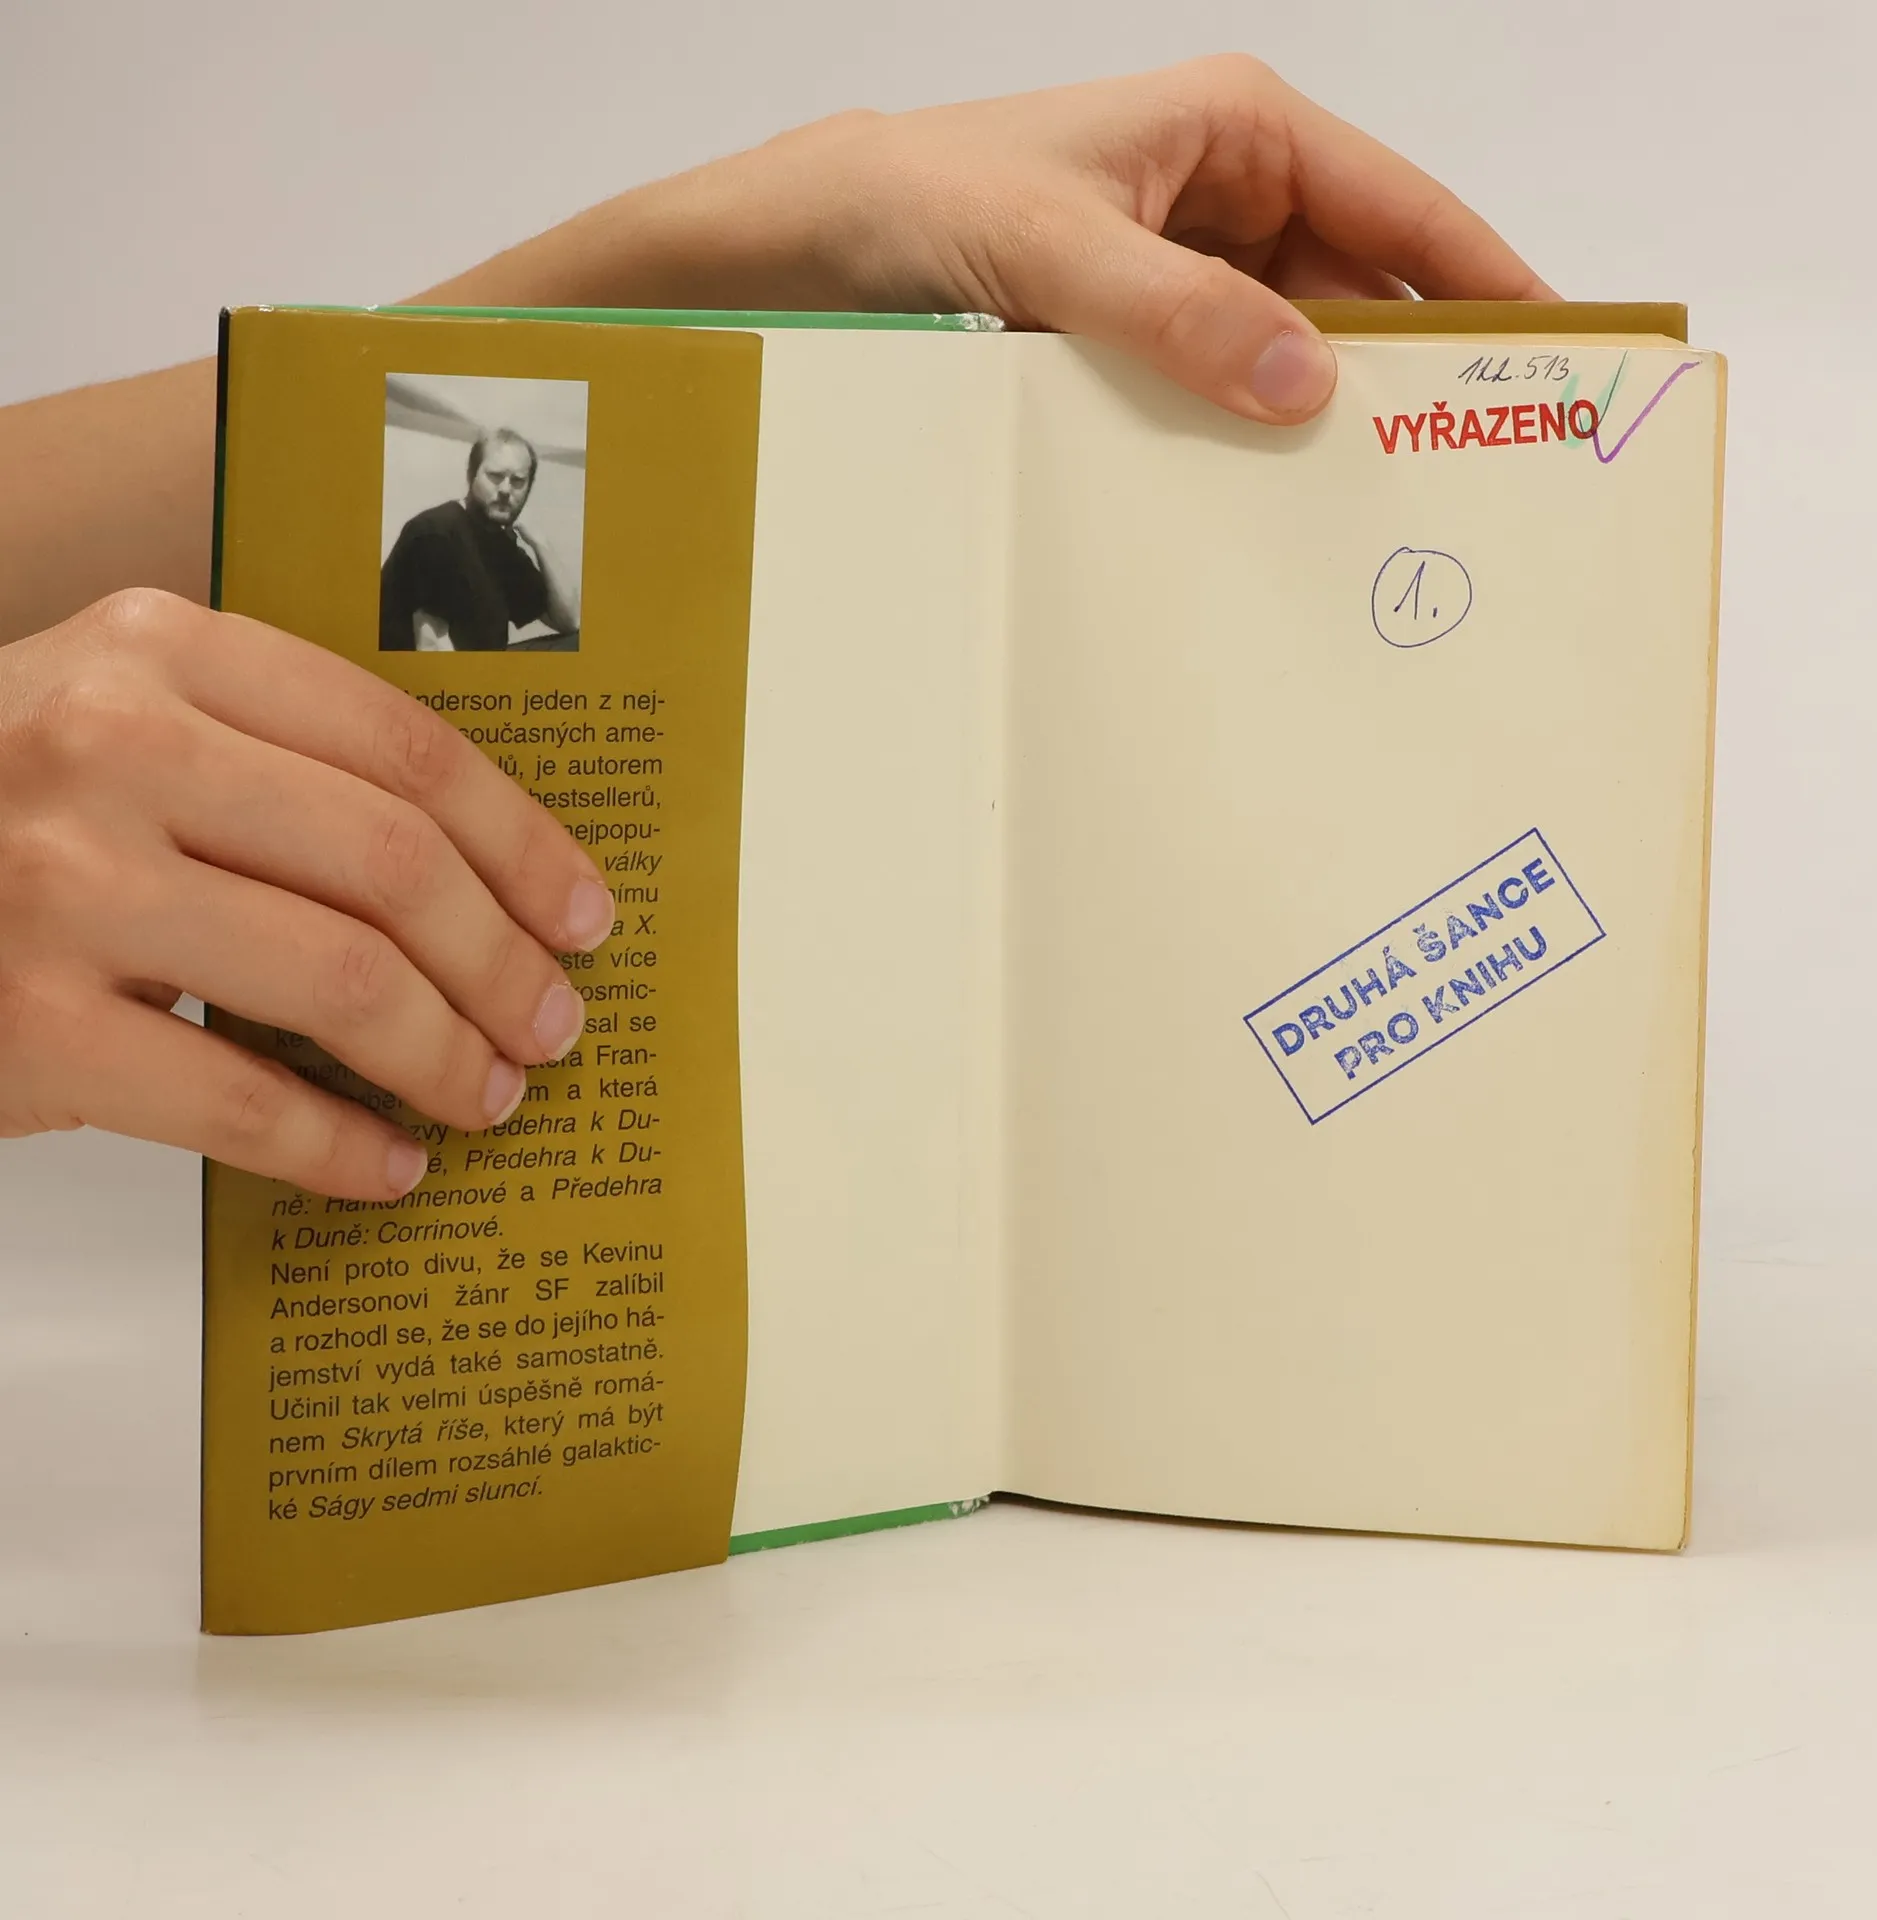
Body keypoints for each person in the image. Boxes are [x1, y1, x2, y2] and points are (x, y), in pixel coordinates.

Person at [0, 56, 1555, 1205]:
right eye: (493, 470)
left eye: (518, 471)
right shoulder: (445, 541)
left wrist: (693, 262)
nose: (502, 488)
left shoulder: (516, 547)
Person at [379, 429, 580, 652]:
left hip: (481, 665)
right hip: (419, 669)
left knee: (579, 643)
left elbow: (569, 621)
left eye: (517, 481)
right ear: (471, 475)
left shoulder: (500, 543)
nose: (505, 489)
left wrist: (540, 541)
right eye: (495, 476)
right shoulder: (436, 533)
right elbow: (431, 647)